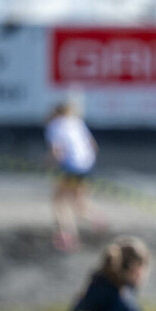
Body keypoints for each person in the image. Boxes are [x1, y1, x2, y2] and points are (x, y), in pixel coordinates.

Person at [45, 99, 102, 252]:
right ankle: (97, 219)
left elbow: (58, 152)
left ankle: (67, 236)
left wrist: (47, 165)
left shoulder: (54, 126)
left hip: (71, 168)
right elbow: (93, 146)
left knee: (59, 202)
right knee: (78, 204)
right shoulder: (77, 122)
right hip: (87, 167)